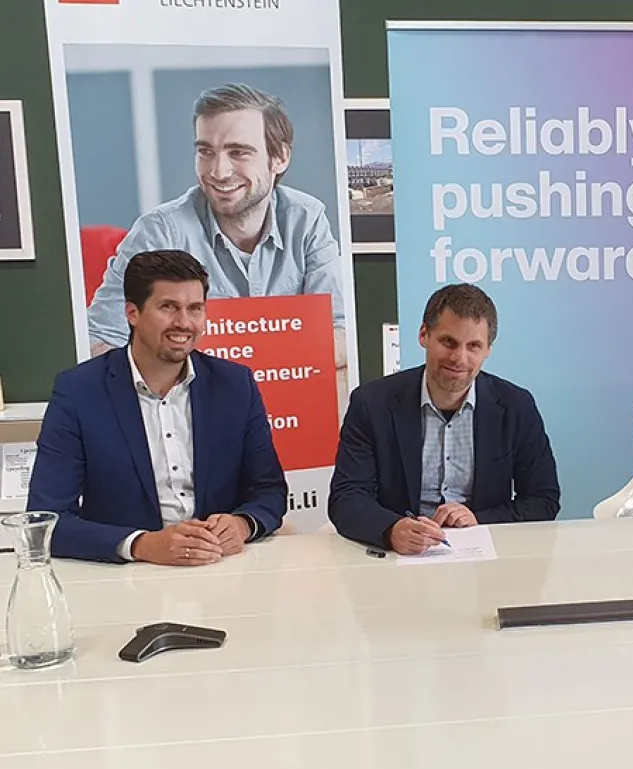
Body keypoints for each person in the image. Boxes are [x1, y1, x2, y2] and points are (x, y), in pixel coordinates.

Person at [27, 250, 288, 564]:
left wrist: (243, 524)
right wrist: (142, 544)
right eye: (168, 307)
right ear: (132, 313)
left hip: (220, 567)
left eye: (195, 309)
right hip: (127, 576)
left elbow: (269, 490)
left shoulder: (235, 384)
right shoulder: (79, 391)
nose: (184, 323)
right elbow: (48, 518)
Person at [85, 82, 347, 377]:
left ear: (280, 157)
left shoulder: (307, 219)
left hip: (291, 412)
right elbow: (100, 340)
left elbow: (341, 332)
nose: (218, 172)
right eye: (206, 151)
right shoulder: (160, 232)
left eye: (239, 152)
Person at [328, 284, 560, 554]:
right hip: (397, 559)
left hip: (486, 560)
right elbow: (346, 498)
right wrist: (391, 530)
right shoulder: (371, 403)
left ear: (488, 350)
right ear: (424, 335)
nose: (459, 358)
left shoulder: (516, 406)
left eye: (473, 346)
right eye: (448, 342)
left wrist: (480, 520)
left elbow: (543, 500)